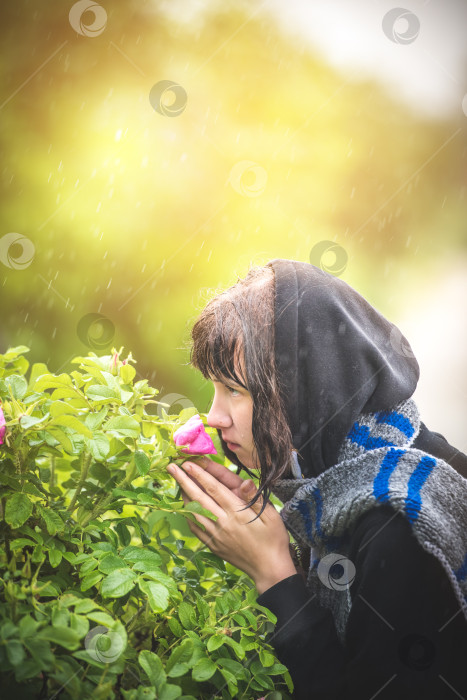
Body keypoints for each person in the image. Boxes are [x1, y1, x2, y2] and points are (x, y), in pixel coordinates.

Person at [166, 258, 467, 699]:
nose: (213, 417)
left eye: (235, 390)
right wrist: (278, 531)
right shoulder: (351, 476)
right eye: (214, 388)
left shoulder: (402, 528)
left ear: (305, 392)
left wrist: (273, 573)